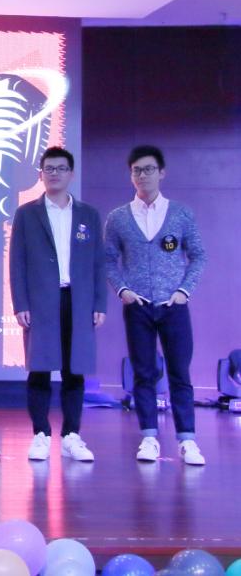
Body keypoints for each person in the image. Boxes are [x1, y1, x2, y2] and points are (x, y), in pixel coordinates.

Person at [104, 145, 207, 465]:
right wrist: (122, 290)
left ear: (161, 172)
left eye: (148, 169)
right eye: (136, 170)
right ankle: (149, 437)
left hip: (173, 305)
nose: (142, 175)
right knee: (144, 373)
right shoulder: (118, 218)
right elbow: (107, 259)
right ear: (130, 175)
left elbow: (198, 255)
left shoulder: (181, 214)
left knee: (180, 373)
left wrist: (184, 291)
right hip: (138, 306)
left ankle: (187, 441)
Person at [9, 147, 106, 462]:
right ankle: (40, 434)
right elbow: (17, 262)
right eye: (49, 168)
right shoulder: (27, 213)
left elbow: (98, 263)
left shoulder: (88, 215)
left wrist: (99, 303)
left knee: (74, 371)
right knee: (39, 369)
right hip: (41, 302)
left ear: (71, 174)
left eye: (61, 168)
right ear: (41, 174)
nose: (54, 174)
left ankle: (71, 435)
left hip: (78, 301)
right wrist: (20, 303)